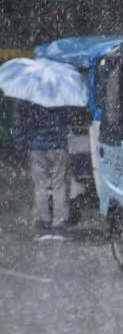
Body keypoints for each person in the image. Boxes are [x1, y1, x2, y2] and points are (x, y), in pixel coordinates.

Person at [13, 100, 70, 240]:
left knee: (40, 185)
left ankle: (43, 225)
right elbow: (67, 117)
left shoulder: (28, 95)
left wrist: (20, 153)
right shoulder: (60, 92)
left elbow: (20, 125)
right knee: (59, 185)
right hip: (58, 145)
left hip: (36, 146)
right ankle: (59, 225)